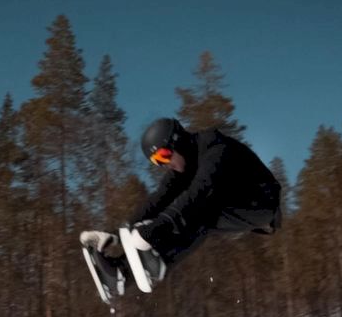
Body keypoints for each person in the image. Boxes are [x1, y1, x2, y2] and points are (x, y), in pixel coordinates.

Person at [81, 117, 281, 298]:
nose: (165, 164)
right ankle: (119, 273)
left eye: (164, 156)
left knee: (199, 212)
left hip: (261, 202)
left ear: (178, 142)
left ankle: (146, 267)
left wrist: (155, 228)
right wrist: (118, 234)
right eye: (157, 162)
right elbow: (159, 199)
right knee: (183, 211)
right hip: (232, 201)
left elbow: (200, 191)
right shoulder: (182, 166)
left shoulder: (215, 148)